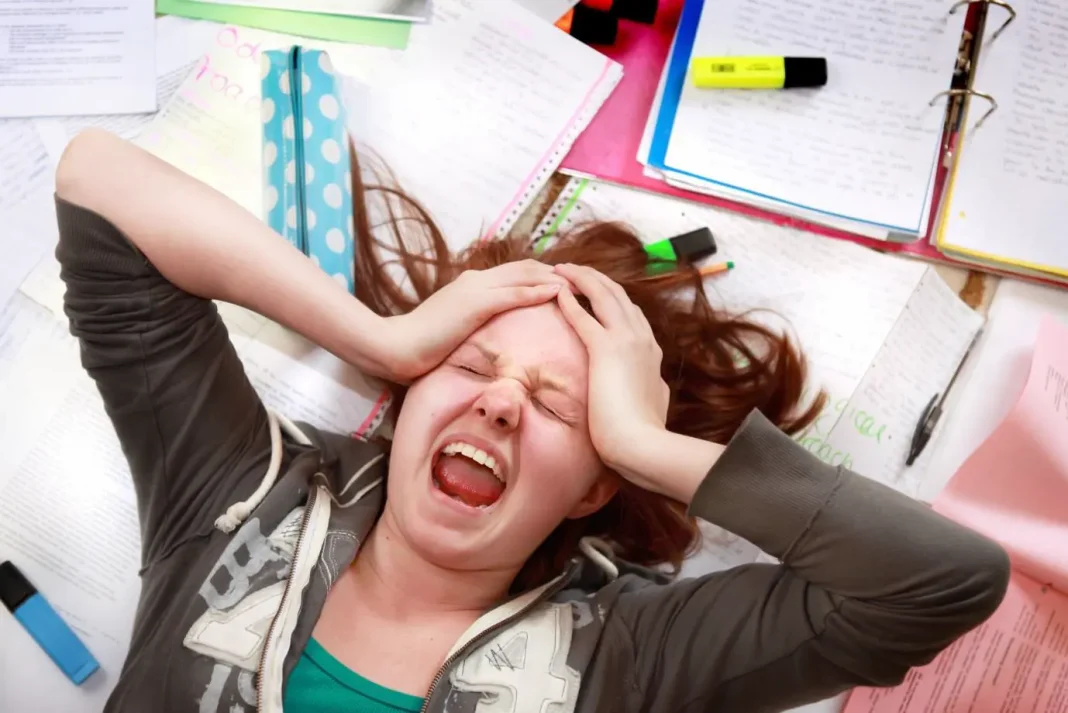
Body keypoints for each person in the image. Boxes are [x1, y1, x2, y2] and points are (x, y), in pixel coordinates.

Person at [53, 128, 1009, 713]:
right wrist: (382, 340)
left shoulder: (634, 655)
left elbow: (940, 583)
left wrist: (646, 444)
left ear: (596, 484)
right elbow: (98, 180)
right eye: (469, 364)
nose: (503, 400)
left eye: (562, 405)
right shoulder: (239, 491)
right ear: (414, 393)